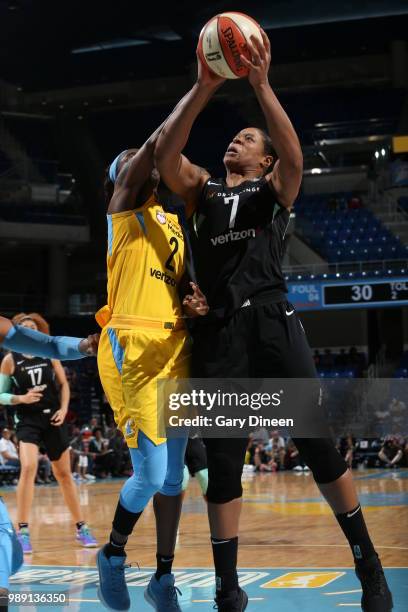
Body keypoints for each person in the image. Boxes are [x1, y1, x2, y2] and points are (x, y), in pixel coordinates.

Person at [155, 31, 392, 612]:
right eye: (234, 136)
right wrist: (204, 86)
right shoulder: (200, 190)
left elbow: (295, 157)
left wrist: (261, 86)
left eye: (247, 138)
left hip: (271, 320)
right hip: (217, 336)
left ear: (262, 159)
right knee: (225, 464)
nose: (236, 140)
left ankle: (369, 564)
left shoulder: (273, 188)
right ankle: (227, 586)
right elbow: (163, 156)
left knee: (318, 448)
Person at [95, 119, 209, 612]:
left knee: (173, 479)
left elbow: (183, 285)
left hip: (176, 349)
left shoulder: (173, 224)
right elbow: (148, 153)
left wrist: (194, 301)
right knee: (149, 475)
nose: (134, 158)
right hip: (134, 350)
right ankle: (112, 554)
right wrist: (201, 86)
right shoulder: (122, 210)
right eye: (127, 158)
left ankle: (163, 577)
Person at [0, 313, 98, 606]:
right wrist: (20, 399)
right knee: (28, 467)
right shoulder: (10, 360)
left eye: (31, 328)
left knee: (64, 475)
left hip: (53, 419)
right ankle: (23, 529)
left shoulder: (38, 350)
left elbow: (56, 351)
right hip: (27, 421)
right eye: (25, 328)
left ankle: (81, 526)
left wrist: (84, 346)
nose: (28, 331)